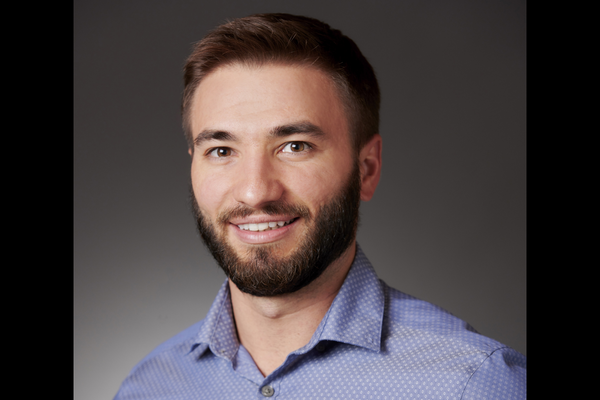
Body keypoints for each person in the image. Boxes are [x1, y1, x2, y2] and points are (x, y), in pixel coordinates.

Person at [114, 13, 526, 399]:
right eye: (222, 150)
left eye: (295, 146)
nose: (256, 192)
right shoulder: (149, 387)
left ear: (366, 169)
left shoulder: (473, 383)